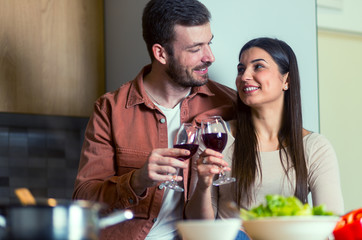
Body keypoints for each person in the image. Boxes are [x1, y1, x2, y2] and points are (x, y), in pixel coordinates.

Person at [72, 0, 237, 239]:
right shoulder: (111, 110)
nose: (210, 57)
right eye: (195, 49)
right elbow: (83, 201)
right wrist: (137, 180)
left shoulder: (228, 103)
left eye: (209, 43)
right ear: (160, 53)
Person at [185, 37, 344, 239]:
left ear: (286, 80)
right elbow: (200, 228)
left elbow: (331, 224)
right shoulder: (216, 136)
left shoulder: (314, 147)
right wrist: (204, 185)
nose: (244, 77)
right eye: (241, 69)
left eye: (258, 66)